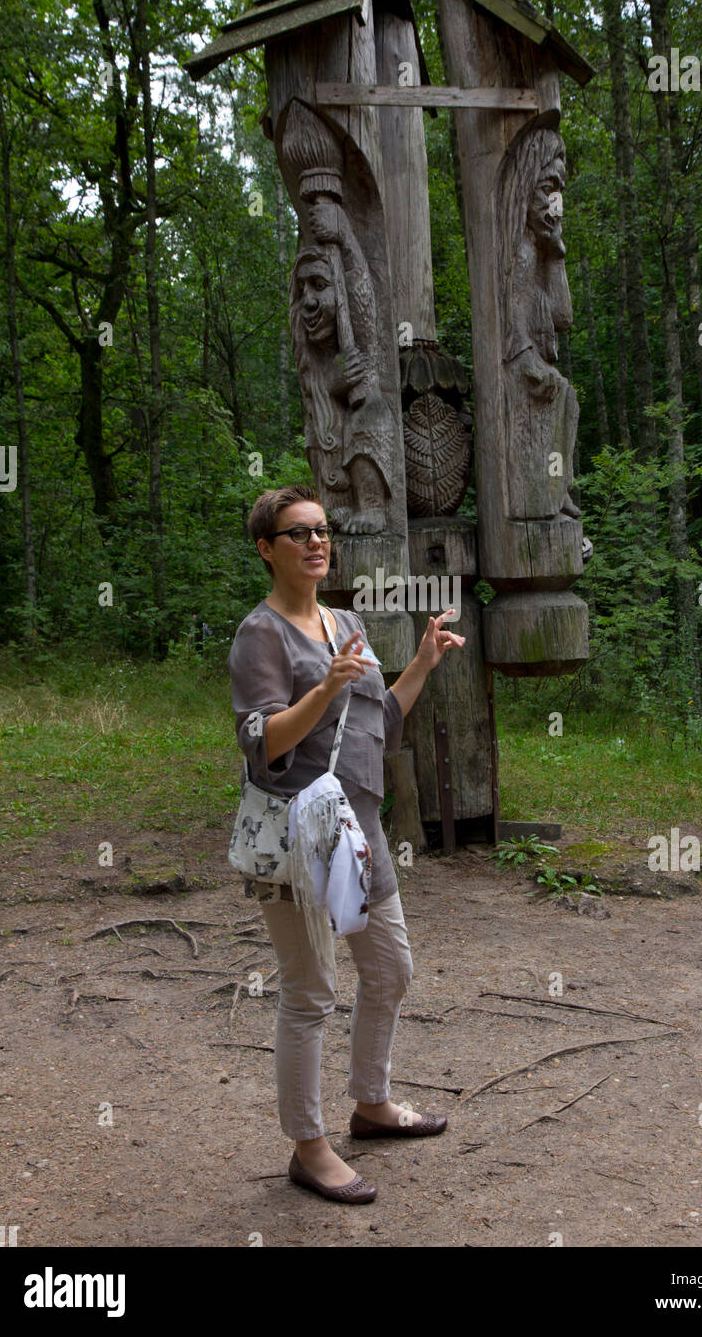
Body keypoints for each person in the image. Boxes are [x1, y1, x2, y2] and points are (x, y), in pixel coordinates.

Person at [227, 483, 465, 1203]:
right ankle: (308, 1146)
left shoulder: (347, 623)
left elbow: (380, 723)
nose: (315, 542)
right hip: (292, 837)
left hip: (357, 836)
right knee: (310, 993)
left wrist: (421, 660)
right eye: (297, 533)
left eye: (321, 531)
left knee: (390, 969)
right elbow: (262, 742)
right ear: (268, 549)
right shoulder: (260, 634)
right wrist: (325, 687)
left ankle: (371, 1104)